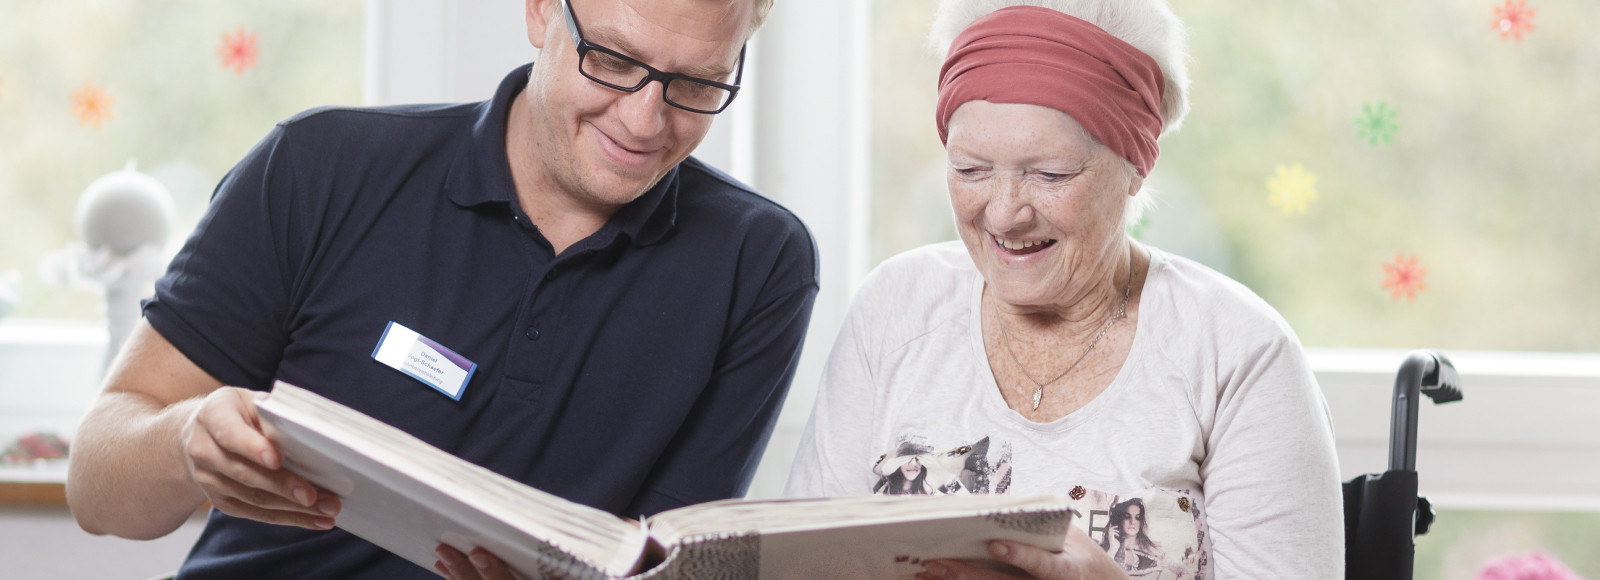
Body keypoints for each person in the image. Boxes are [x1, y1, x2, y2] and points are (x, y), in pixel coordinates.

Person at [64, 0, 816, 578]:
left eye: (696, 83)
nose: (645, 119)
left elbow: (673, 561)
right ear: (539, 10)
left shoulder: (758, 264)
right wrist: (187, 444)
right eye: (613, 60)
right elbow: (96, 485)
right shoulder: (319, 167)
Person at [784, 0, 1343, 578]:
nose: (1003, 215)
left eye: (1050, 175)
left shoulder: (1239, 351)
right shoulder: (895, 308)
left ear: (1135, 166)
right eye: (970, 169)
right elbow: (799, 564)